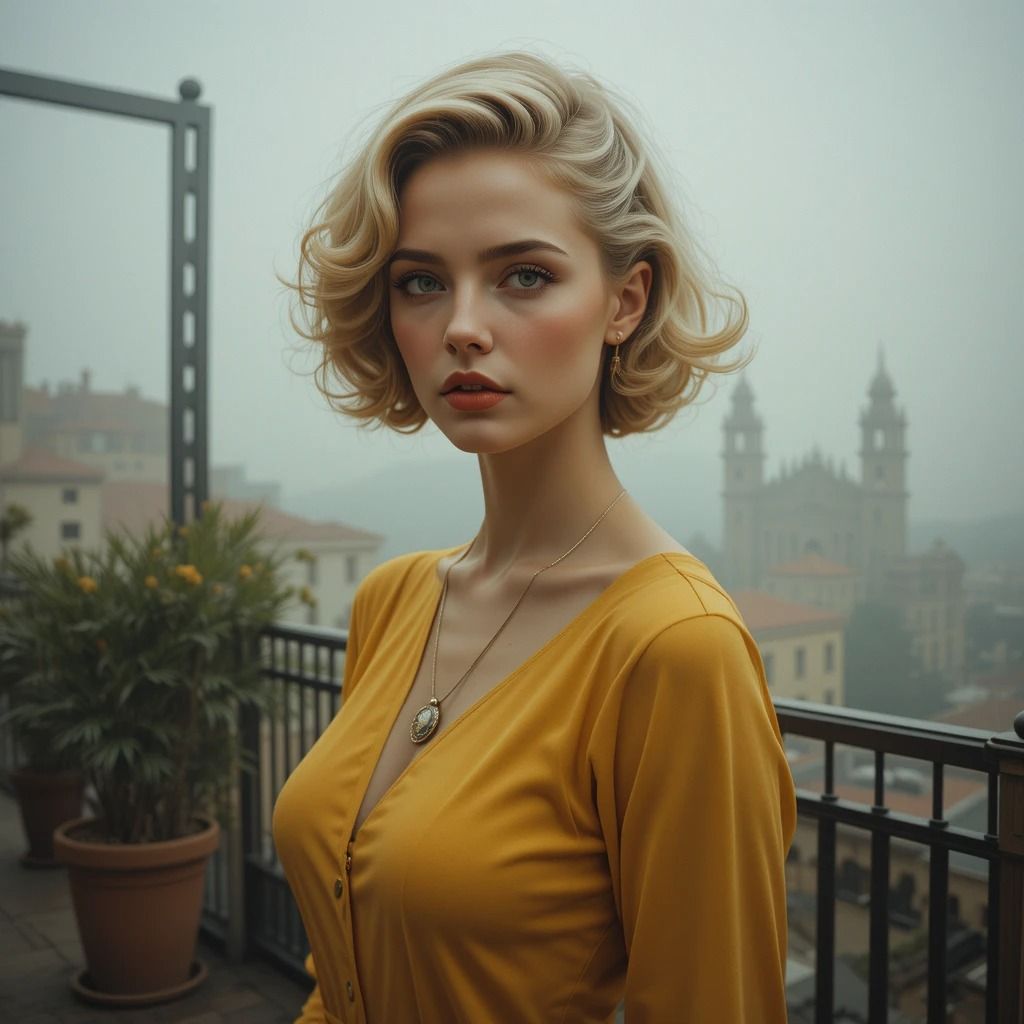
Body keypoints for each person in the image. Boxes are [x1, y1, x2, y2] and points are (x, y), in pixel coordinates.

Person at [272, 49, 796, 1024]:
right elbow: (340, 975)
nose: (463, 327)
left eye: (523, 274)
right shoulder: (393, 600)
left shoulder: (676, 649)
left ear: (625, 300)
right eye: (420, 282)